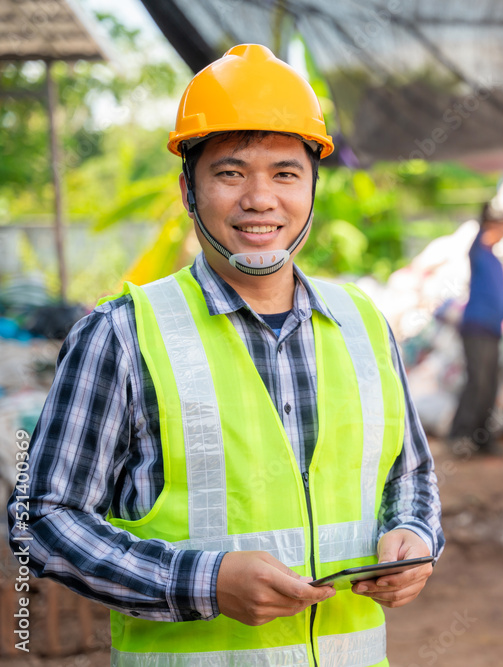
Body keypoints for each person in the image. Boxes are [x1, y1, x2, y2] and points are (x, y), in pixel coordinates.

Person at [6, 44, 442, 666]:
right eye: (231, 172)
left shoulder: (363, 323)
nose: (260, 199)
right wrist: (202, 582)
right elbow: (41, 520)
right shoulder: (123, 335)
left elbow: (412, 476)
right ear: (189, 190)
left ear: (313, 188)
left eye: (285, 173)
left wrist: (415, 536)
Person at [448, 201, 503, 456]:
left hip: (493, 330)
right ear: (491, 226)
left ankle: (482, 438)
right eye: (501, 227)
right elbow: (479, 238)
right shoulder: (479, 254)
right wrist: (484, 213)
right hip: (476, 328)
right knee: (477, 382)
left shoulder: (496, 262)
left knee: (489, 385)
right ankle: (460, 435)